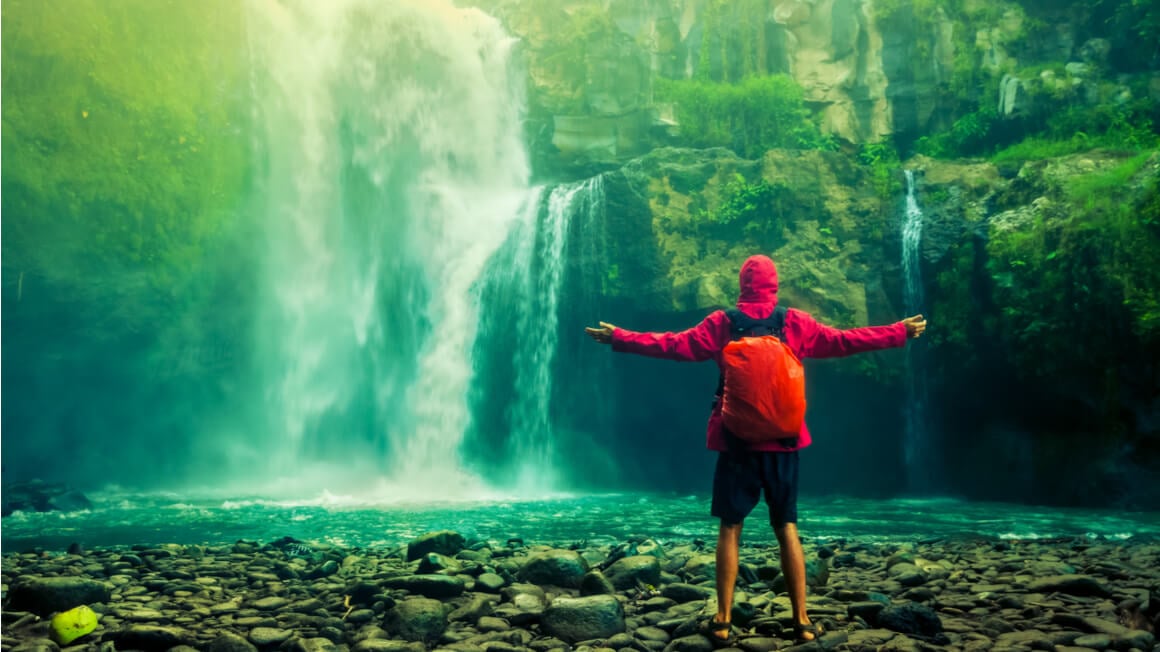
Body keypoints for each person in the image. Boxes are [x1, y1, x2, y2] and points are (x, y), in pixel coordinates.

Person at [585, 254, 926, 645]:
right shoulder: (795, 322)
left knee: (730, 528)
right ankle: (801, 620)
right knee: (787, 528)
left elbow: (673, 345)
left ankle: (724, 618)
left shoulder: (722, 323)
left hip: (736, 442)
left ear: (741, 285)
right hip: (784, 443)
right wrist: (897, 332)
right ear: (774, 285)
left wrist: (620, 337)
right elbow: (844, 341)